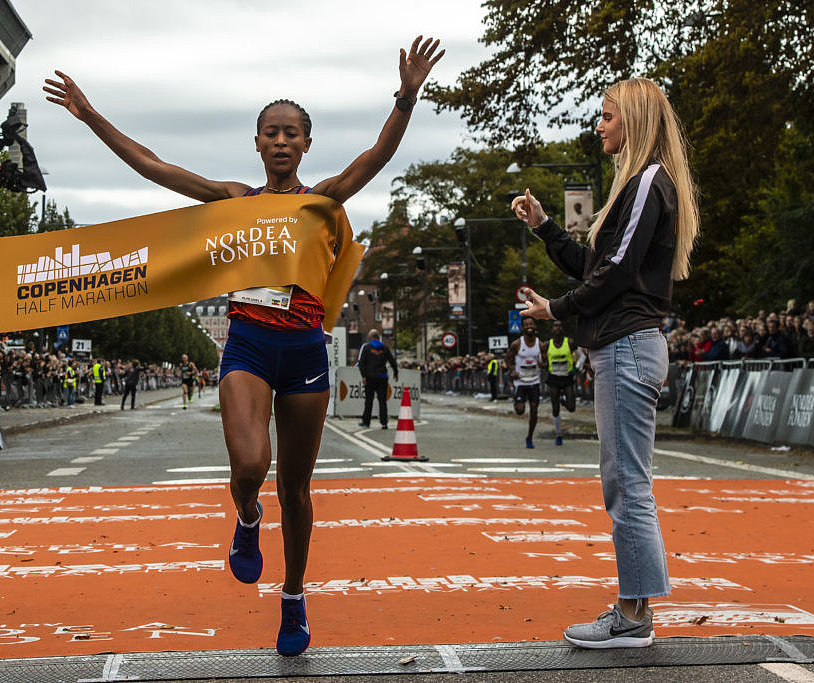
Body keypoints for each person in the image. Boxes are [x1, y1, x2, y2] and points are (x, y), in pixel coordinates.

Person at [45, 36, 443, 657]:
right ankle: (248, 518)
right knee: (251, 467)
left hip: (304, 350)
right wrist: (90, 114)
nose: (281, 141)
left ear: (306, 144)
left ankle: (293, 596)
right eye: (271, 133)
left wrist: (406, 97)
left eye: (292, 133)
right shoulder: (235, 200)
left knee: (297, 491)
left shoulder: (322, 200)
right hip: (249, 348)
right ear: (257, 143)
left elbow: (376, 155)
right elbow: (154, 166)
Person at [512, 77, 699, 649]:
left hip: (627, 345)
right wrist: (545, 227)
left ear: (635, 121)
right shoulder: (642, 184)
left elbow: (614, 272)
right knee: (627, 481)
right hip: (625, 345)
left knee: (627, 484)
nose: (599, 125)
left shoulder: (647, 182)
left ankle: (633, 616)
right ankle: (634, 610)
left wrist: (556, 309)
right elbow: (597, 264)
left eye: (608, 116)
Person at [505, 316, 543, 448]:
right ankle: (517, 401)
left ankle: (530, 436)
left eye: (531, 324)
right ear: (523, 328)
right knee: (520, 411)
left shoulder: (540, 344)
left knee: (534, 409)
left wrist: (542, 364)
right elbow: (507, 359)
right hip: (520, 382)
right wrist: (512, 371)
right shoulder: (516, 344)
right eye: (526, 325)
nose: (529, 327)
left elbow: (546, 362)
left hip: (534, 381)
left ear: (535, 326)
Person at [541, 320, 578, 446]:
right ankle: (558, 434)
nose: (558, 328)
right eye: (555, 326)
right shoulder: (547, 344)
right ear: (552, 329)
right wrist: (543, 365)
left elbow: (581, 354)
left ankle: (564, 400)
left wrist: (576, 366)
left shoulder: (570, 342)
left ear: (563, 328)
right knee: (555, 408)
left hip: (567, 377)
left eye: (560, 325)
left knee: (571, 408)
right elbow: (543, 359)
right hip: (554, 378)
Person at [356, 329, 398, 429]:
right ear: (378, 337)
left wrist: (364, 376)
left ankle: (366, 421)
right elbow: (392, 361)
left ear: (370, 337)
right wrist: (395, 373)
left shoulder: (367, 348)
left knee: (369, 400)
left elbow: (361, 364)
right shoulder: (384, 348)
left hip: (370, 377)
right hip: (382, 377)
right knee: (382, 400)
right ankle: (384, 422)